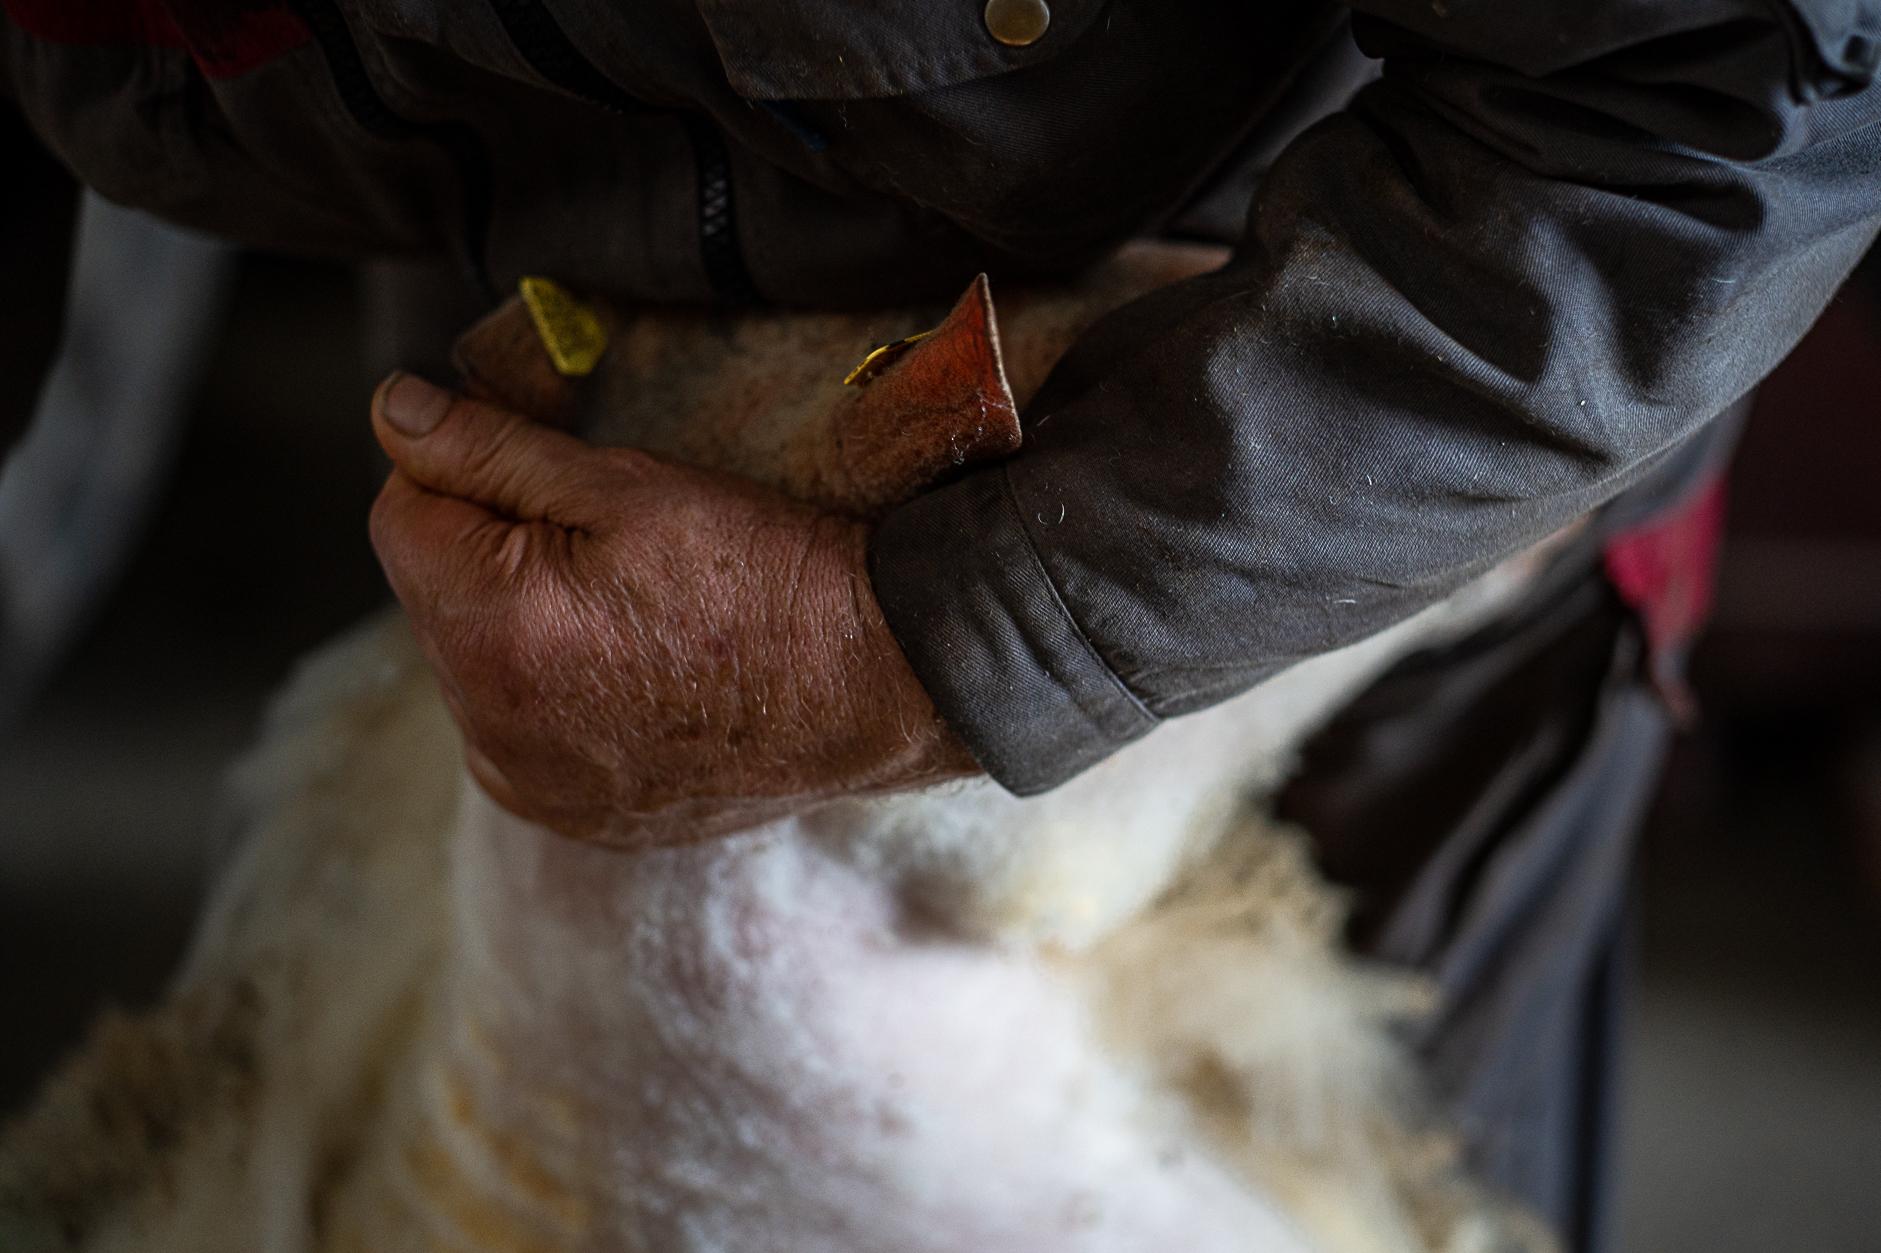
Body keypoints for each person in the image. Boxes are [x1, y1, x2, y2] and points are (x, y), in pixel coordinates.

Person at [3, 2, 1877, 1247]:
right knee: (575, 998)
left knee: (1353, 1141)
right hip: (545, 265)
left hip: (1362, 347)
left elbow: (1705, 115)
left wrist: (939, 644)